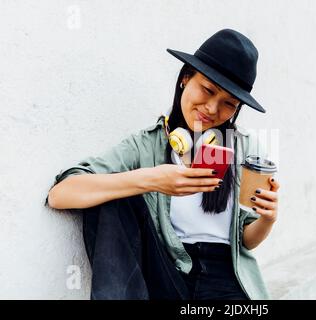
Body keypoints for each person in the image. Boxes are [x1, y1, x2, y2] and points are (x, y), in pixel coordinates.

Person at [46, 28, 280, 300]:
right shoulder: (146, 144)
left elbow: (246, 240)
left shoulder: (244, 148)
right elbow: (60, 194)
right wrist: (152, 179)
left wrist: (268, 219)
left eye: (229, 103)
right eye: (207, 90)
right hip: (169, 274)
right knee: (113, 197)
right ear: (185, 78)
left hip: (226, 282)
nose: (212, 109)